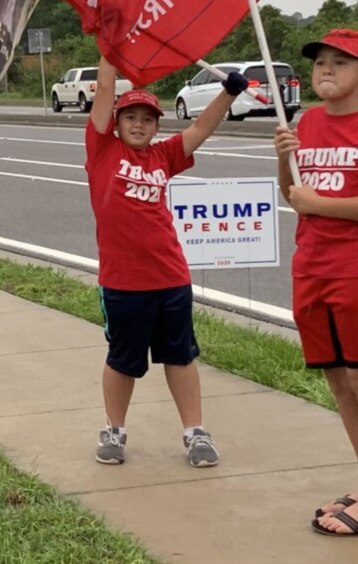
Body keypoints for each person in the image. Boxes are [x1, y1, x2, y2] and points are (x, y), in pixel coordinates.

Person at [272, 28, 358, 538]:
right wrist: (281, 154)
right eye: (320, 62)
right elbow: (294, 193)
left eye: (341, 62)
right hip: (312, 265)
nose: (326, 70)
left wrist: (317, 205)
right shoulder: (306, 122)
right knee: (337, 377)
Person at [86, 55, 249, 467]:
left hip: (170, 279)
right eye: (130, 118)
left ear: (157, 126)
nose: (138, 125)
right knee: (123, 359)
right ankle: (114, 430)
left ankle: (195, 434)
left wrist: (228, 93)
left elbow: (200, 129)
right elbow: (105, 91)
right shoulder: (102, 150)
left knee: (180, 356)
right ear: (117, 124)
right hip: (123, 283)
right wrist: (109, 51)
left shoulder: (164, 157)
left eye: (147, 119)